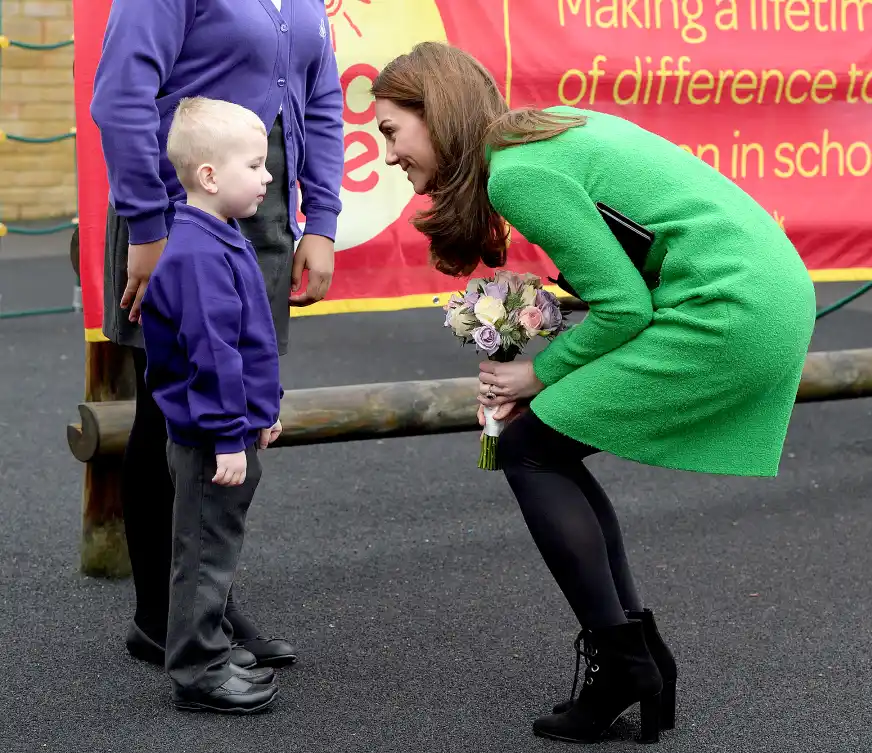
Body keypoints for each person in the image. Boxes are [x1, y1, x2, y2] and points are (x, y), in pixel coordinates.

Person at [371, 42, 816, 744]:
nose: (390, 153)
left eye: (392, 131)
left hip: (730, 311)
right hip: (762, 295)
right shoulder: (543, 133)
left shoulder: (518, 175)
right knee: (546, 447)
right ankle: (638, 657)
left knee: (528, 449)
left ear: (437, 112)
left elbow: (623, 307)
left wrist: (537, 374)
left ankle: (625, 663)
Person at [89, 0, 344, 668]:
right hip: (172, 216)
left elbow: (322, 99)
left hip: (259, 215)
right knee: (173, 410)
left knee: (238, 402)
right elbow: (120, 97)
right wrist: (148, 225)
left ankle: (204, 603)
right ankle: (162, 616)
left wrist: (321, 218)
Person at [139, 96, 284, 713]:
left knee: (215, 542)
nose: (267, 176)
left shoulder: (218, 236)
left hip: (228, 427)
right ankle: (198, 671)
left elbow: (248, 339)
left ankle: (212, 643)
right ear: (209, 175)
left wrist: (262, 411)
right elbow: (213, 353)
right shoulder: (199, 254)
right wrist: (229, 434)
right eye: (254, 165)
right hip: (209, 436)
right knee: (203, 551)